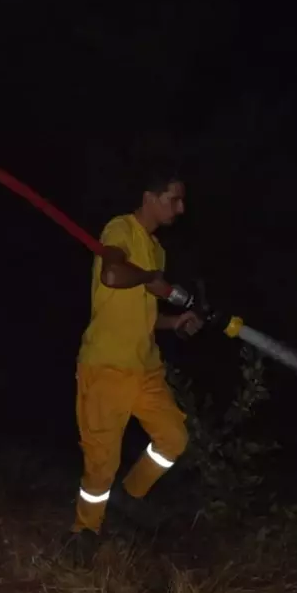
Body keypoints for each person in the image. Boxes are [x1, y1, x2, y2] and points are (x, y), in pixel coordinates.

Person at [64, 166, 204, 564]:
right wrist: (153, 282)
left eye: (181, 201)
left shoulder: (158, 251)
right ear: (149, 197)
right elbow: (111, 273)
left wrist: (173, 321)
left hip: (145, 368)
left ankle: (130, 497)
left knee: (173, 438)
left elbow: (143, 312)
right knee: (100, 463)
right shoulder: (119, 230)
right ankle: (83, 531)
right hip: (106, 366)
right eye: (173, 199)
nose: (180, 208)